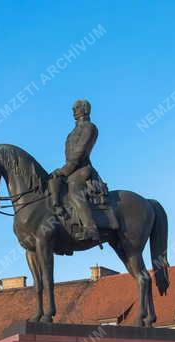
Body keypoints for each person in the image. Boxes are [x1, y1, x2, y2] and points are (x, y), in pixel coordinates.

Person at [48, 99, 104, 243]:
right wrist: (61, 171)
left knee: (74, 189)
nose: (74, 110)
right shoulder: (72, 132)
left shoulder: (89, 127)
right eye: (74, 108)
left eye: (77, 107)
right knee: (51, 183)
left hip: (83, 168)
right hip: (70, 169)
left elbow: (81, 152)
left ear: (85, 109)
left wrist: (65, 170)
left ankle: (91, 229)